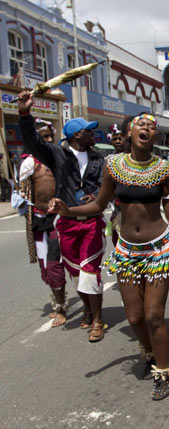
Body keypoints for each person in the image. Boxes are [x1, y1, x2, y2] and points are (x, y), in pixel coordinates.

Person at [49, 113, 169, 400]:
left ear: (155, 136)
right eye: (142, 125)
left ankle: (163, 371)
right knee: (134, 317)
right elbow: (98, 205)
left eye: (152, 127)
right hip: (126, 251)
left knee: (154, 316)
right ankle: (149, 352)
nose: (148, 129)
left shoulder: (165, 169)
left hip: (159, 250)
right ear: (129, 133)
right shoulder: (112, 165)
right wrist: (67, 211)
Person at [18, 90, 106, 342]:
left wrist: (98, 196)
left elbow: (104, 186)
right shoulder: (57, 153)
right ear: (78, 134)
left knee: (90, 271)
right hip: (65, 224)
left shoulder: (98, 157)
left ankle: (98, 319)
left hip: (91, 222)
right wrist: (25, 113)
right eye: (89, 130)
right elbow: (33, 142)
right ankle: (87, 310)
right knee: (76, 273)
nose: (93, 134)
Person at [17, 119, 67, 327]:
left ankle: (62, 308)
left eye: (50, 137)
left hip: (58, 220)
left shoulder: (59, 159)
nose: (48, 141)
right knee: (45, 265)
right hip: (38, 221)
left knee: (55, 264)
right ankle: (57, 302)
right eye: (43, 137)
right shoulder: (28, 163)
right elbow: (22, 191)